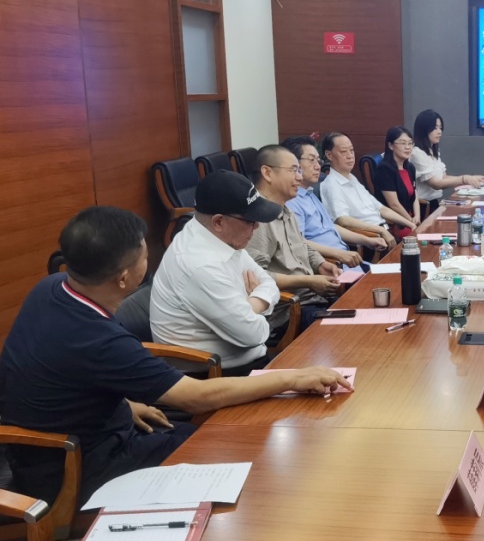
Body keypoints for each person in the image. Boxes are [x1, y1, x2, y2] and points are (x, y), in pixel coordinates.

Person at [0, 206, 351, 507]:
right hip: (75, 468)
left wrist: (125, 403)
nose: (148, 259)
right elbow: (195, 397)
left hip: (64, 445)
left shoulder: (51, 287)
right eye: (143, 255)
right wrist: (293, 377)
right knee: (236, 457)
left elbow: (58, 371)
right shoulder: (101, 339)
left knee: (220, 438)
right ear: (124, 278)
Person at [150, 171, 286, 372]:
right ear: (219, 222)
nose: (257, 226)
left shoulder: (217, 236)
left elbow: (268, 283)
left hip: (248, 361)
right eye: (250, 220)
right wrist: (260, 306)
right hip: (217, 376)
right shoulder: (199, 264)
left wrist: (250, 305)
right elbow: (254, 335)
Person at [247, 144, 341, 331]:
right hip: (288, 312)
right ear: (267, 173)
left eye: (299, 170)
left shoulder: (285, 208)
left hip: (312, 300)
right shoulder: (256, 219)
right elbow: (255, 276)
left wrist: (320, 264)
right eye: (293, 170)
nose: (299, 177)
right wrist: (308, 281)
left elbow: (301, 244)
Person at [281, 135, 378, 265]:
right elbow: (299, 243)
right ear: (293, 164)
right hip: (332, 265)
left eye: (318, 161)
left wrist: (367, 240)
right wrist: (339, 254)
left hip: (347, 260)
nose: (317, 167)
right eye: (311, 160)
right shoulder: (291, 201)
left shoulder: (310, 193)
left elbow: (330, 227)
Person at [320, 132, 407, 246]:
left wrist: (410, 224)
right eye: (344, 151)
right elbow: (342, 220)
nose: (350, 156)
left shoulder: (351, 178)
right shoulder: (332, 184)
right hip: (372, 241)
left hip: (385, 232)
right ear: (329, 155)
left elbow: (381, 208)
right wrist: (380, 230)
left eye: (351, 150)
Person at [411, 110, 484, 216]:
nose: (439, 132)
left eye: (440, 128)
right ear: (424, 129)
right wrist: (464, 179)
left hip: (434, 203)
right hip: (422, 208)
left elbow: (444, 177)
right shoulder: (417, 153)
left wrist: (470, 179)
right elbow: (436, 184)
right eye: (435, 128)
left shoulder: (432, 150)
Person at [375, 126, 421, 237]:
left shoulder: (410, 168)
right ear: (391, 145)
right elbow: (394, 204)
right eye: (403, 143)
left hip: (410, 220)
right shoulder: (385, 169)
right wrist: (410, 222)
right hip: (394, 223)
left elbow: (414, 195)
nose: (408, 147)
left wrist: (418, 217)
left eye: (410, 143)